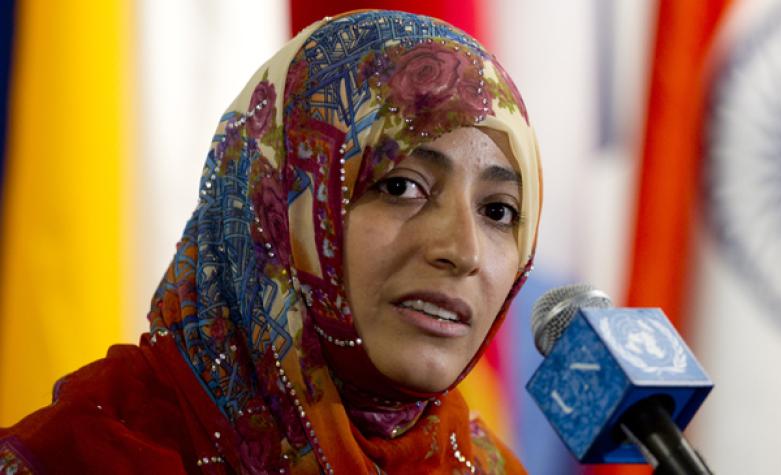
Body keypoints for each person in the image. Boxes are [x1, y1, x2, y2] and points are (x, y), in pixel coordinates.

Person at [0, 10, 540, 474]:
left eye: (498, 212)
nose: (463, 251)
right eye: (400, 186)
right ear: (276, 201)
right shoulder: (82, 456)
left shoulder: (484, 464)